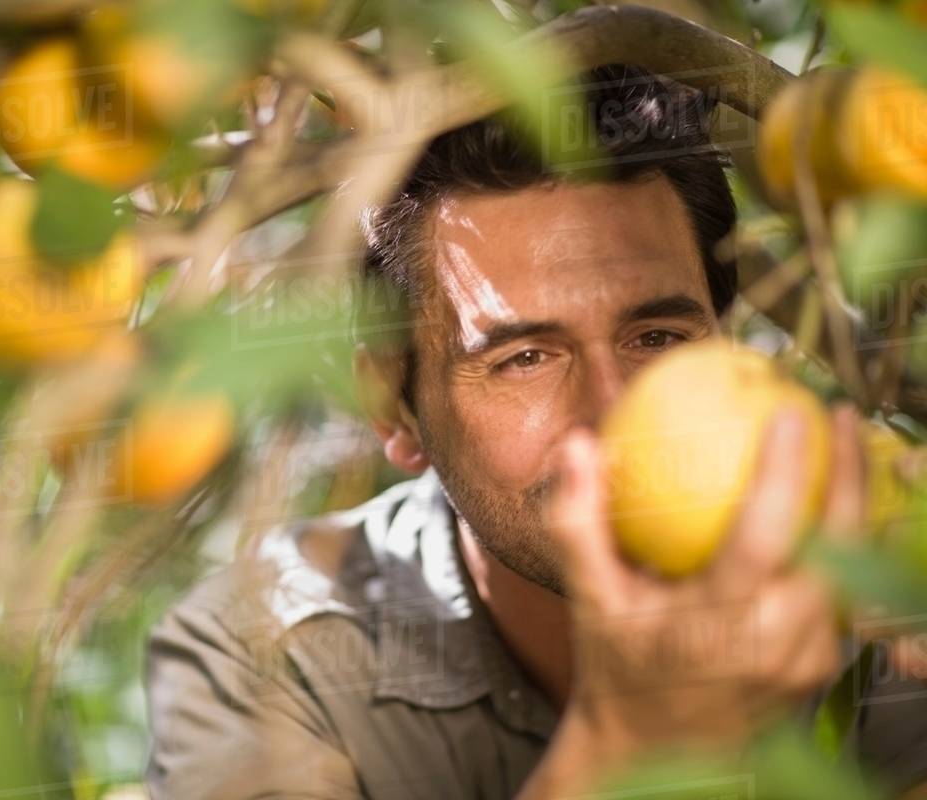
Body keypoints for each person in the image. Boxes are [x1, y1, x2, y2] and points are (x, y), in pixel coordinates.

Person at [143, 63, 927, 799]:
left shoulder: (874, 568)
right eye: (524, 358)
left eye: (656, 337)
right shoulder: (262, 658)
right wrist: (628, 738)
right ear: (393, 405)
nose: (615, 418)